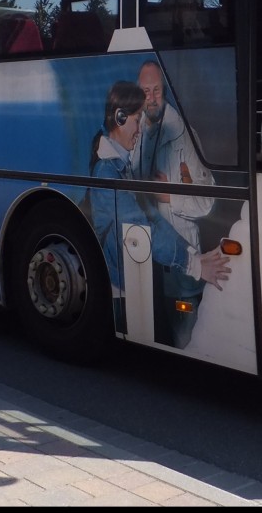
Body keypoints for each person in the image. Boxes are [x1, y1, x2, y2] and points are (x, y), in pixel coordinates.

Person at [88, 80, 230, 336]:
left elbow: (151, 218)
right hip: (121, 289)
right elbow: (143, 231)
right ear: (120, 118)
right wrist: (195, 266)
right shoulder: (107, 172)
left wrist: (192, 253)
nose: (139, 131)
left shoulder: (121, 165)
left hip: (132, 280)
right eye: (136, 120)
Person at [133, 60, 217, 348]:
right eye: (146, 91)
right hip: (147, 263)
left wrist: (168, 195)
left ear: (164, 91)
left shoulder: (184, 134)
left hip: (181, 267)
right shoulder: (136, 133)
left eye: (156, 90)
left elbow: (206, 202)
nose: (152, 97)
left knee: (186, 342)